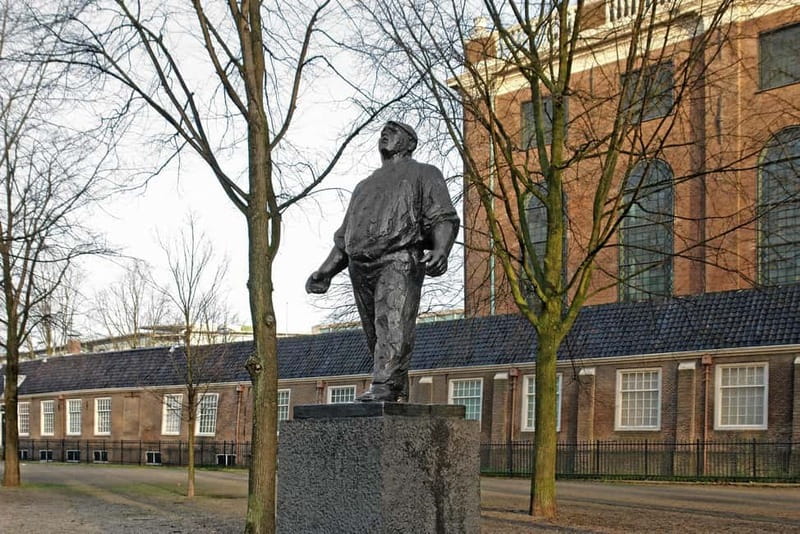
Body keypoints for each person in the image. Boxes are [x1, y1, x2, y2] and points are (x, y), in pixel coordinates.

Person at [306, 121, 459, 402]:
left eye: (394, 131)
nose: (385, 135)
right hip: (360, 265)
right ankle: (394, 388)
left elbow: (442, 216)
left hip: (398, 258)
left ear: (410, 143)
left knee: (393, 322)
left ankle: (386, 385)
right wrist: (325, 272)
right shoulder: (363, 187)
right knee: (375, 332)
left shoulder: (424, 173)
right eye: (383, 132)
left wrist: (441, 249)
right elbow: (344, 238)